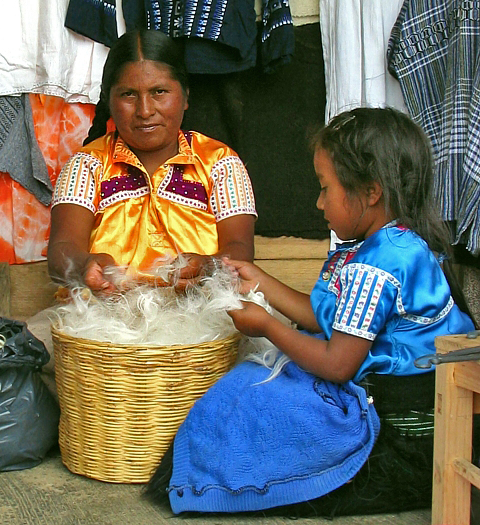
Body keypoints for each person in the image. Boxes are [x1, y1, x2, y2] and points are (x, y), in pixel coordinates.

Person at [146, 107, 477, 517]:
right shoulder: (386, 244)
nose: (319, 203)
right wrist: (256, 276)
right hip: (378, 389)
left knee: (258, 400)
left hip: (403, 426)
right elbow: (326, 318)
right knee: (253, 384)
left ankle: (221, 481)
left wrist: (266, 325)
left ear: (370, 191)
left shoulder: (380, 264)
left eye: (325, 187)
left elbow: (337, 365)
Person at [47, 29, 257, 294]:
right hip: (104, 324)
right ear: (109, 100)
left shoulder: (221, 163)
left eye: (159, 91)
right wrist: (83, 265)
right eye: (128, 95)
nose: (145, 110)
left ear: (185, 96)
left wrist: (208, 266)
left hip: (202, 321)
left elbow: (240, 250)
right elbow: (60, 252)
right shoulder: (87, 164)